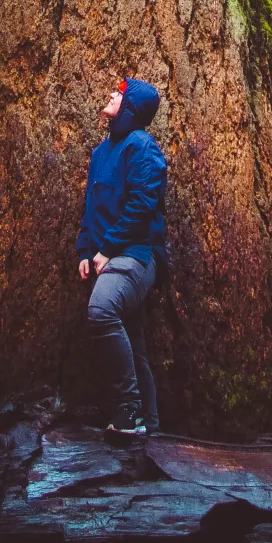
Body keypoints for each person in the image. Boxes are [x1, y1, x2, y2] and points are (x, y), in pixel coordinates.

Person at [76, 75, 168, 438]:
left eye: (120, 93)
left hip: (137, 255)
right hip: (108, 257)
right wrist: (87, 252)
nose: (111, 94)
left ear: (130, 107)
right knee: (133, 338)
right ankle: (152, 428)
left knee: (101, 311)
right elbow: (91, 209)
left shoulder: (142, 146)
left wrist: (108, 248)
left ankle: (129, 410)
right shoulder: (101, 153)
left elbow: (142, 204)